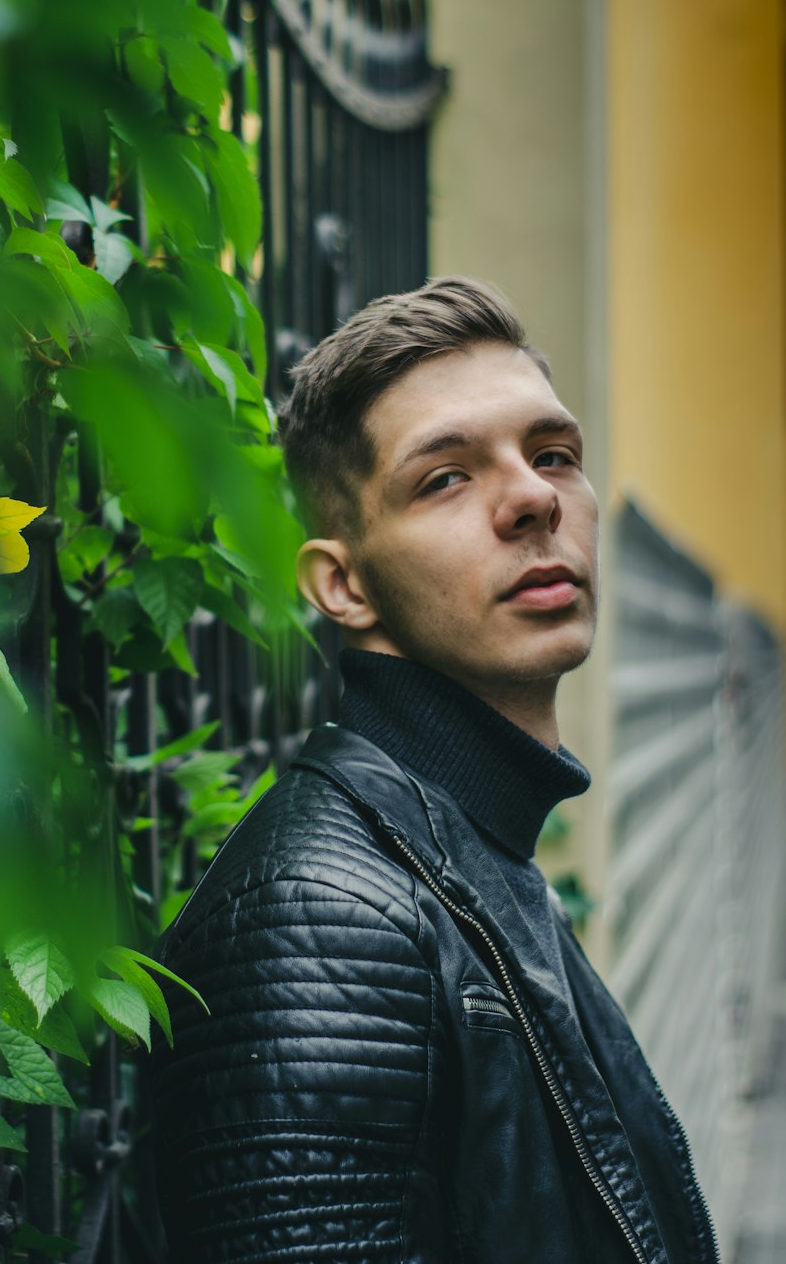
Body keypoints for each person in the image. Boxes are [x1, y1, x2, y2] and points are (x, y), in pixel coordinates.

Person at [150, 278, 718, 1262]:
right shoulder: (327, 917)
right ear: (342, 582)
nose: (536, 497)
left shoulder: (470, 854)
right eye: (444, 477)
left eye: (551, 456)